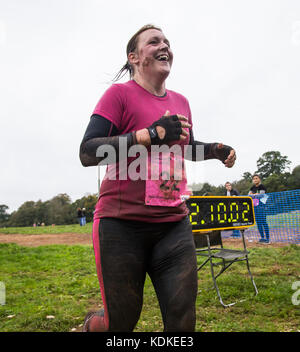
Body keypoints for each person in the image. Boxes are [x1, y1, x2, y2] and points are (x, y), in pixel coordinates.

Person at [79, 24, 236, 332]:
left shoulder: (181, 102)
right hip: (121, 225)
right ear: (134, 57)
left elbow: (185, 147)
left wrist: (216, 150)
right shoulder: (118, 95)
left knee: (182, 319)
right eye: (154, 42)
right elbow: (88, 152)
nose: (164, 46)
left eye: (167, 41)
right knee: (121, 323)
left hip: (173, 225)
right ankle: (90, 327)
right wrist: (148, 134)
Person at [248, 174, 270, 243]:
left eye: (256, 178)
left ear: (259, 179)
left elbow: (261, 195)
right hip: (255, 207)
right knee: (258, 223)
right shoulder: (252, 188)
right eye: (254, 179)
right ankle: (262, 238)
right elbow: (249, 196)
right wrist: (255, 195)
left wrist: (253, 195)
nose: (255, 180)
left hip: (262, 207)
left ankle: (267, 239)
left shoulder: (262, 186)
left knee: (264, 222)